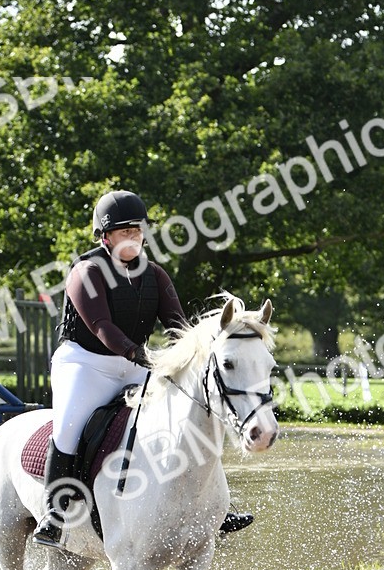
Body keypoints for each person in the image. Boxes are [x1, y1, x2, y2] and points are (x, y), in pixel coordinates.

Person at [33, 189, 253, 547]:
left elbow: (178, 326)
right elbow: (103, 328)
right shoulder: (85, 272)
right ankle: (54, 513)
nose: (133, 237)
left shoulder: (155, 275)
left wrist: (190, 354)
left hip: (135, 363)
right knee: (70, 426)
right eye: (124, 232)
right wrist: (142, 355)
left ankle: (215, 505)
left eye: (137, 230)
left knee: (187, 413)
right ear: (105, 237)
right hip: (86, 364)